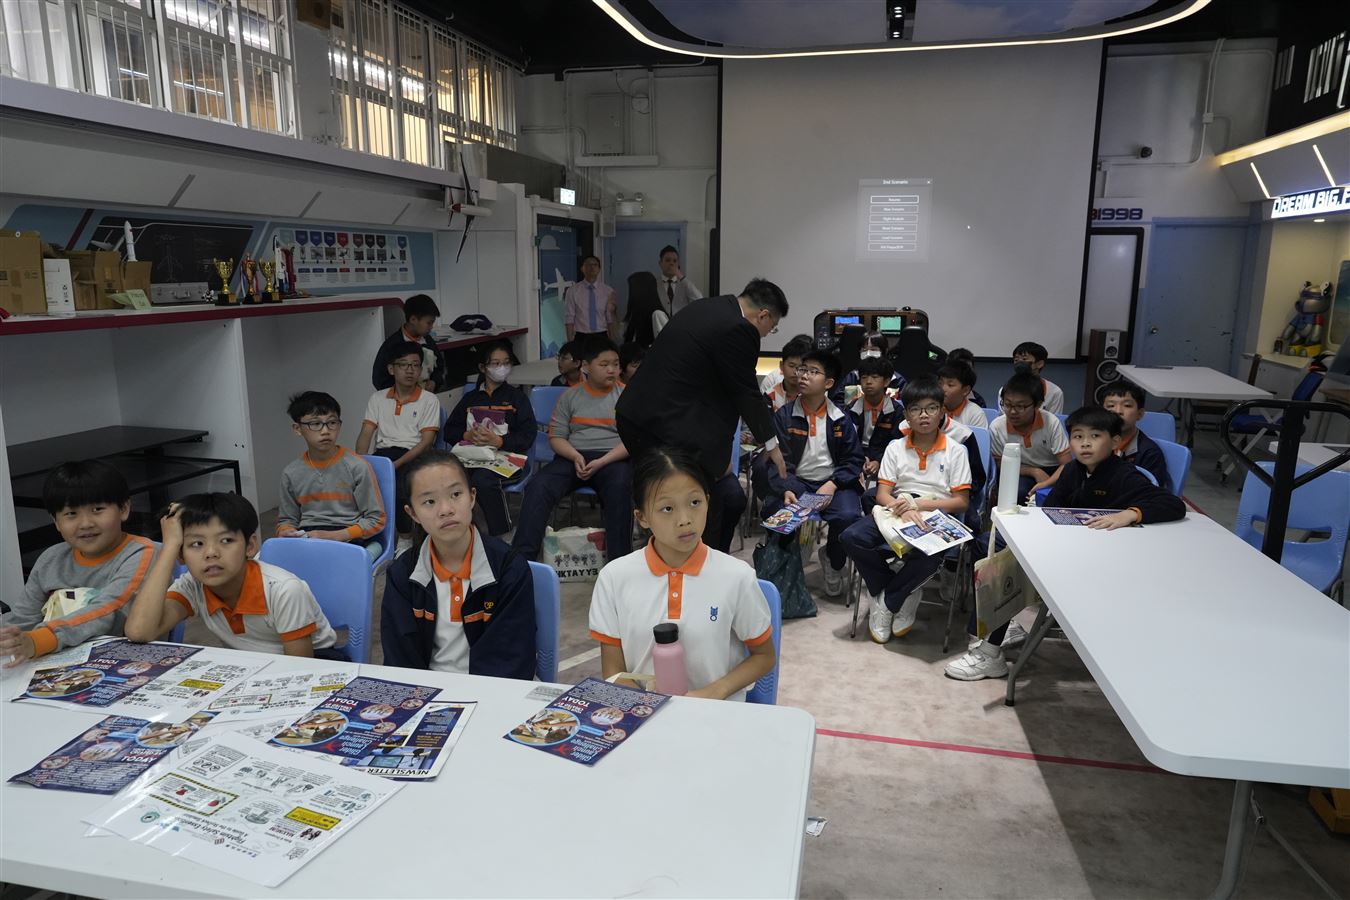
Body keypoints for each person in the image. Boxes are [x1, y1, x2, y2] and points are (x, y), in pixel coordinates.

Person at [944, 406, 1184, 681]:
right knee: (991, 548)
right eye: (1078, 437)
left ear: (1115, 442)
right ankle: (993, 632)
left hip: (1104, 560)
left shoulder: (1124, 475)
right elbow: (1051, 511)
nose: (1085, 444)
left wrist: (1130, 514)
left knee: (1009, 567)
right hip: (1067, 547)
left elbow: (1172, 504)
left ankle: (990, 651)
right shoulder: (1072, 470)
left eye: (1095, 436)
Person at [617, 279, 791, 553]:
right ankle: (692, 564)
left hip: (639, 416)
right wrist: (772, 444)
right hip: (664, 427)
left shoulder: (709, 307)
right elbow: (745, 391)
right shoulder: (740, 328)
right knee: (694, 500)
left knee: (681, 496)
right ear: (763, 315)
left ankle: (687, 557)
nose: (768, 333)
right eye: (772, 327)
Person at [589, 447, 773, 700]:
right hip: (642, 713)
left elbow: (764, 656)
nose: (685, 519)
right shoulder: (614, 578)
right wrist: (647, 708)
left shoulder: (737, 577)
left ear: (708, 501)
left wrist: (713, 693)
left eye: (695, 503)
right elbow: (613, 671)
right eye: (667, 508)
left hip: (716, 713)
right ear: (642, 517)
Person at [380, 452, 537, 679]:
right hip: (428, 690)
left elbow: (512, 660)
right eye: (429, 502)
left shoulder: (508, 568)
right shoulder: (402, 575)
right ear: (412, 513)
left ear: (472, 497)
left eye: (456, 494)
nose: (446, 509)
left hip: (494, 690)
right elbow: (400, 662)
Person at [840, 378, 972, 644]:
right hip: (896, 508)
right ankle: (902, 590)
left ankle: (888, 601)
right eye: (915, 409)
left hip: (935, 511)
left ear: (942, 412)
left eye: (931, 408)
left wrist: (919, 505)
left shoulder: (956, 451)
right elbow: (882, 494)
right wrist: (902, 507)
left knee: (931, 555)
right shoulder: (895, 447)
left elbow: (961, 502)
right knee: (851, 537)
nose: (924, 415)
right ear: (906, 415)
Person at [125, 494, 338, 657]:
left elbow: (302, 669)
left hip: (317, 664)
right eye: (196, 544)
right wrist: (170, 546)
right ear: (181, 554)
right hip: (252, 666)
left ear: (250, 546)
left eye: (226, 540)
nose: (211, 553)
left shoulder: (283, 590)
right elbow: (139, 631)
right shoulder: (193, 585)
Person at [0, 461, 154, 666]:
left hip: (124, 664)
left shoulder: (141, 553)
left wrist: (40, 639)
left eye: (97, 509)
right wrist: (8, 639)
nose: (86, 524)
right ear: (56, 521)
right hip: (53, 664)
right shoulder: (51, 558)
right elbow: (22, 620)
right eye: (71, 514)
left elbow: (108, 610)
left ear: (124, 509)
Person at [513, 338, 633, 562]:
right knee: (538, 486)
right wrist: (575, 456)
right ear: (586, 366)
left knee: (620, 488)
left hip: (612, 459)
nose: (612, 370)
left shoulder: (627, 396)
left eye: (616, 364)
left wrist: (602, 461)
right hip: (572, 457)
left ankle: (619, 564)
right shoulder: (570, 396)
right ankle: (521, 562)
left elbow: (632, 441)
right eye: (604, 364)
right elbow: (556, 437)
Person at [761, 350, 864, 598]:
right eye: (802, 370)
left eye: (813, 372)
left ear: (828, 383)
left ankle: (834, 560)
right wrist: (787, 487)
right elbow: (778, 461)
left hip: (832, 484)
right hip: (797, 483)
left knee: (848, 515)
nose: (804, 375)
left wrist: (833, 484)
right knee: (774, 511)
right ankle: (784, 571)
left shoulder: (840, 419)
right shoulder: (785, 415)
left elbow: (853, 460)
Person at [277, 391, 386, 561]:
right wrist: (286, 531)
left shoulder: (357, 466)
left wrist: (336, 536)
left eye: (332, 423)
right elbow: (287, 519)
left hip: (347, 536)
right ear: (298, 429)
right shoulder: (291, 473)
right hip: (308, 537)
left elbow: (376, 520)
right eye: (315, 424)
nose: (325, 431)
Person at [443, 340, 537, 536]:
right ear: (482, 368)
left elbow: (528, 435)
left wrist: (500, 441)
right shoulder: (471, 399)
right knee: (449, 478)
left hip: (508, 457)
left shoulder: (517, 398)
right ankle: (461, 531)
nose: (502, 367)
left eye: (506, 362)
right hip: (472, 456)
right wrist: (467, 435)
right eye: (495, 363)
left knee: (483, 480)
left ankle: (502, 534)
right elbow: (449, 431)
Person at [356, 341, 443, 537]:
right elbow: (366, 434)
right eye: (403, 364)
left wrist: (396, 464)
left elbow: (426, 442)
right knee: (358, 484)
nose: (410, 370)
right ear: (391, 369)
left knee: (400, 486)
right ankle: (368, 534)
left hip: (414, 455)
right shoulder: (378, 398)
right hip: (384, 454)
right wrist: (361, 461)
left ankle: (405, 537)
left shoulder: (429, 400)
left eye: (415, 365)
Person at [990, 371, 1070, 502]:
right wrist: (1034, 471)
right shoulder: (997, 426)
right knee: (1019, 492)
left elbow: (1066, 464)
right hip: (1020, 469)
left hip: (1053, 470)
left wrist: (1047, 483)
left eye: (1020, 406)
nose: (1012, 411)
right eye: (1007, 404)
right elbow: (1000, 464)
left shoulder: (1051, 422)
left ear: (1037, 405)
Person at [371, 294, 448, 393]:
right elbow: (379, 379)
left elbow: (439, 366)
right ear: (413, 320)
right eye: (429, 323)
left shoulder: (428, 341)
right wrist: (402, 391)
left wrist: (434, 381)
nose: (431, 327)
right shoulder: (392, 345)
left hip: (426, 397)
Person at [1103, 381, 1170, 489]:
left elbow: (1151, 492)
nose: (1118, 411)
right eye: (1111, 405)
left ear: (1139, 414)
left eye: (1127, 405)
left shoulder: (1149, 453)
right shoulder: (1094, 443)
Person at [847, 355, 903, 484]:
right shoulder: (851, 408)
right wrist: (860, 458)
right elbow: (848, 441)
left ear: (886, 381)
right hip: (857, 458)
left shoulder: (897, 411)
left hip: (887, 460)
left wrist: (879, 461)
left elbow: (897, 443)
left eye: (874, 377)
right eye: (864, 377)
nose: (868, 382)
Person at [834, 331, 905, 405]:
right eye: (864, 350)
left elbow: (907, 404)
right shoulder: (852, 376)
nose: (868, 354)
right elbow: (838, 402)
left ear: (884, 351)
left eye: (873, 349)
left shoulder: (897, 379)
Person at [564, 255, 618, 345]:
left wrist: (612, 342)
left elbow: (610, 318)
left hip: (601, 335)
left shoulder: (608, 291)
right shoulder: (573, 291)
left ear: (599, 269)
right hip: (581, 335)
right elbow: (569, 317)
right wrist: (570, 342)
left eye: (595, 265)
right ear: (582, 268)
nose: (592, 267)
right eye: (588, 265)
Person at [1005, 341, 1064, 414]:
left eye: (1024, 359)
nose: (1019, 363)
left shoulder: (1054, 392)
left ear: (1039, 364)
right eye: (1016, 360)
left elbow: (1054, 419)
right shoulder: (1005, 390)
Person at [762, 334, 814, 410]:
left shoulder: (814, 395)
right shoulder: (770, 396)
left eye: (801, 368)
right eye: (791, 366)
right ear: (781, 366)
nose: (795, 372)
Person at [938, 361, 989, 430]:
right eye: (940, 383)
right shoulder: (933, 409)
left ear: (965, 390)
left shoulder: (975, 415)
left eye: (950, 385)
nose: (943, 388)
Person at [656, 244, 703, 317]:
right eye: (668, 260)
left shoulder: (685, 283)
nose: (671, 263)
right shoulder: (654, 284)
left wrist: (681, 276)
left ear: (678, 264)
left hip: (682, 322)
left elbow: (699, 300)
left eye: (675, 261)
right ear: (660, 263)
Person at [622, 272, 665, 348]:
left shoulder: (657, 314)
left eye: (633, 288)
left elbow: (665, 344)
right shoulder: (635, 314)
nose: (631, 293)